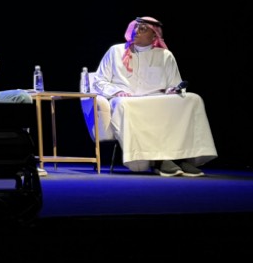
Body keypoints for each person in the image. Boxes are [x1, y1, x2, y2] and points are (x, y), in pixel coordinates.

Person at [88, 16, 217, 177]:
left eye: (142, 29)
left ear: (154, 35)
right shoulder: (116, 51)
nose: (136, 31)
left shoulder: (165, 55)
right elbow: (99, 81)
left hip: (157, 100)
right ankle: (158, 160)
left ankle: (183, 157)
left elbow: (175, 84)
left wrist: (173, 90)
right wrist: (116, 91)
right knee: (124, 105)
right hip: (126, 99)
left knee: (193, 99)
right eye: (136, 27)